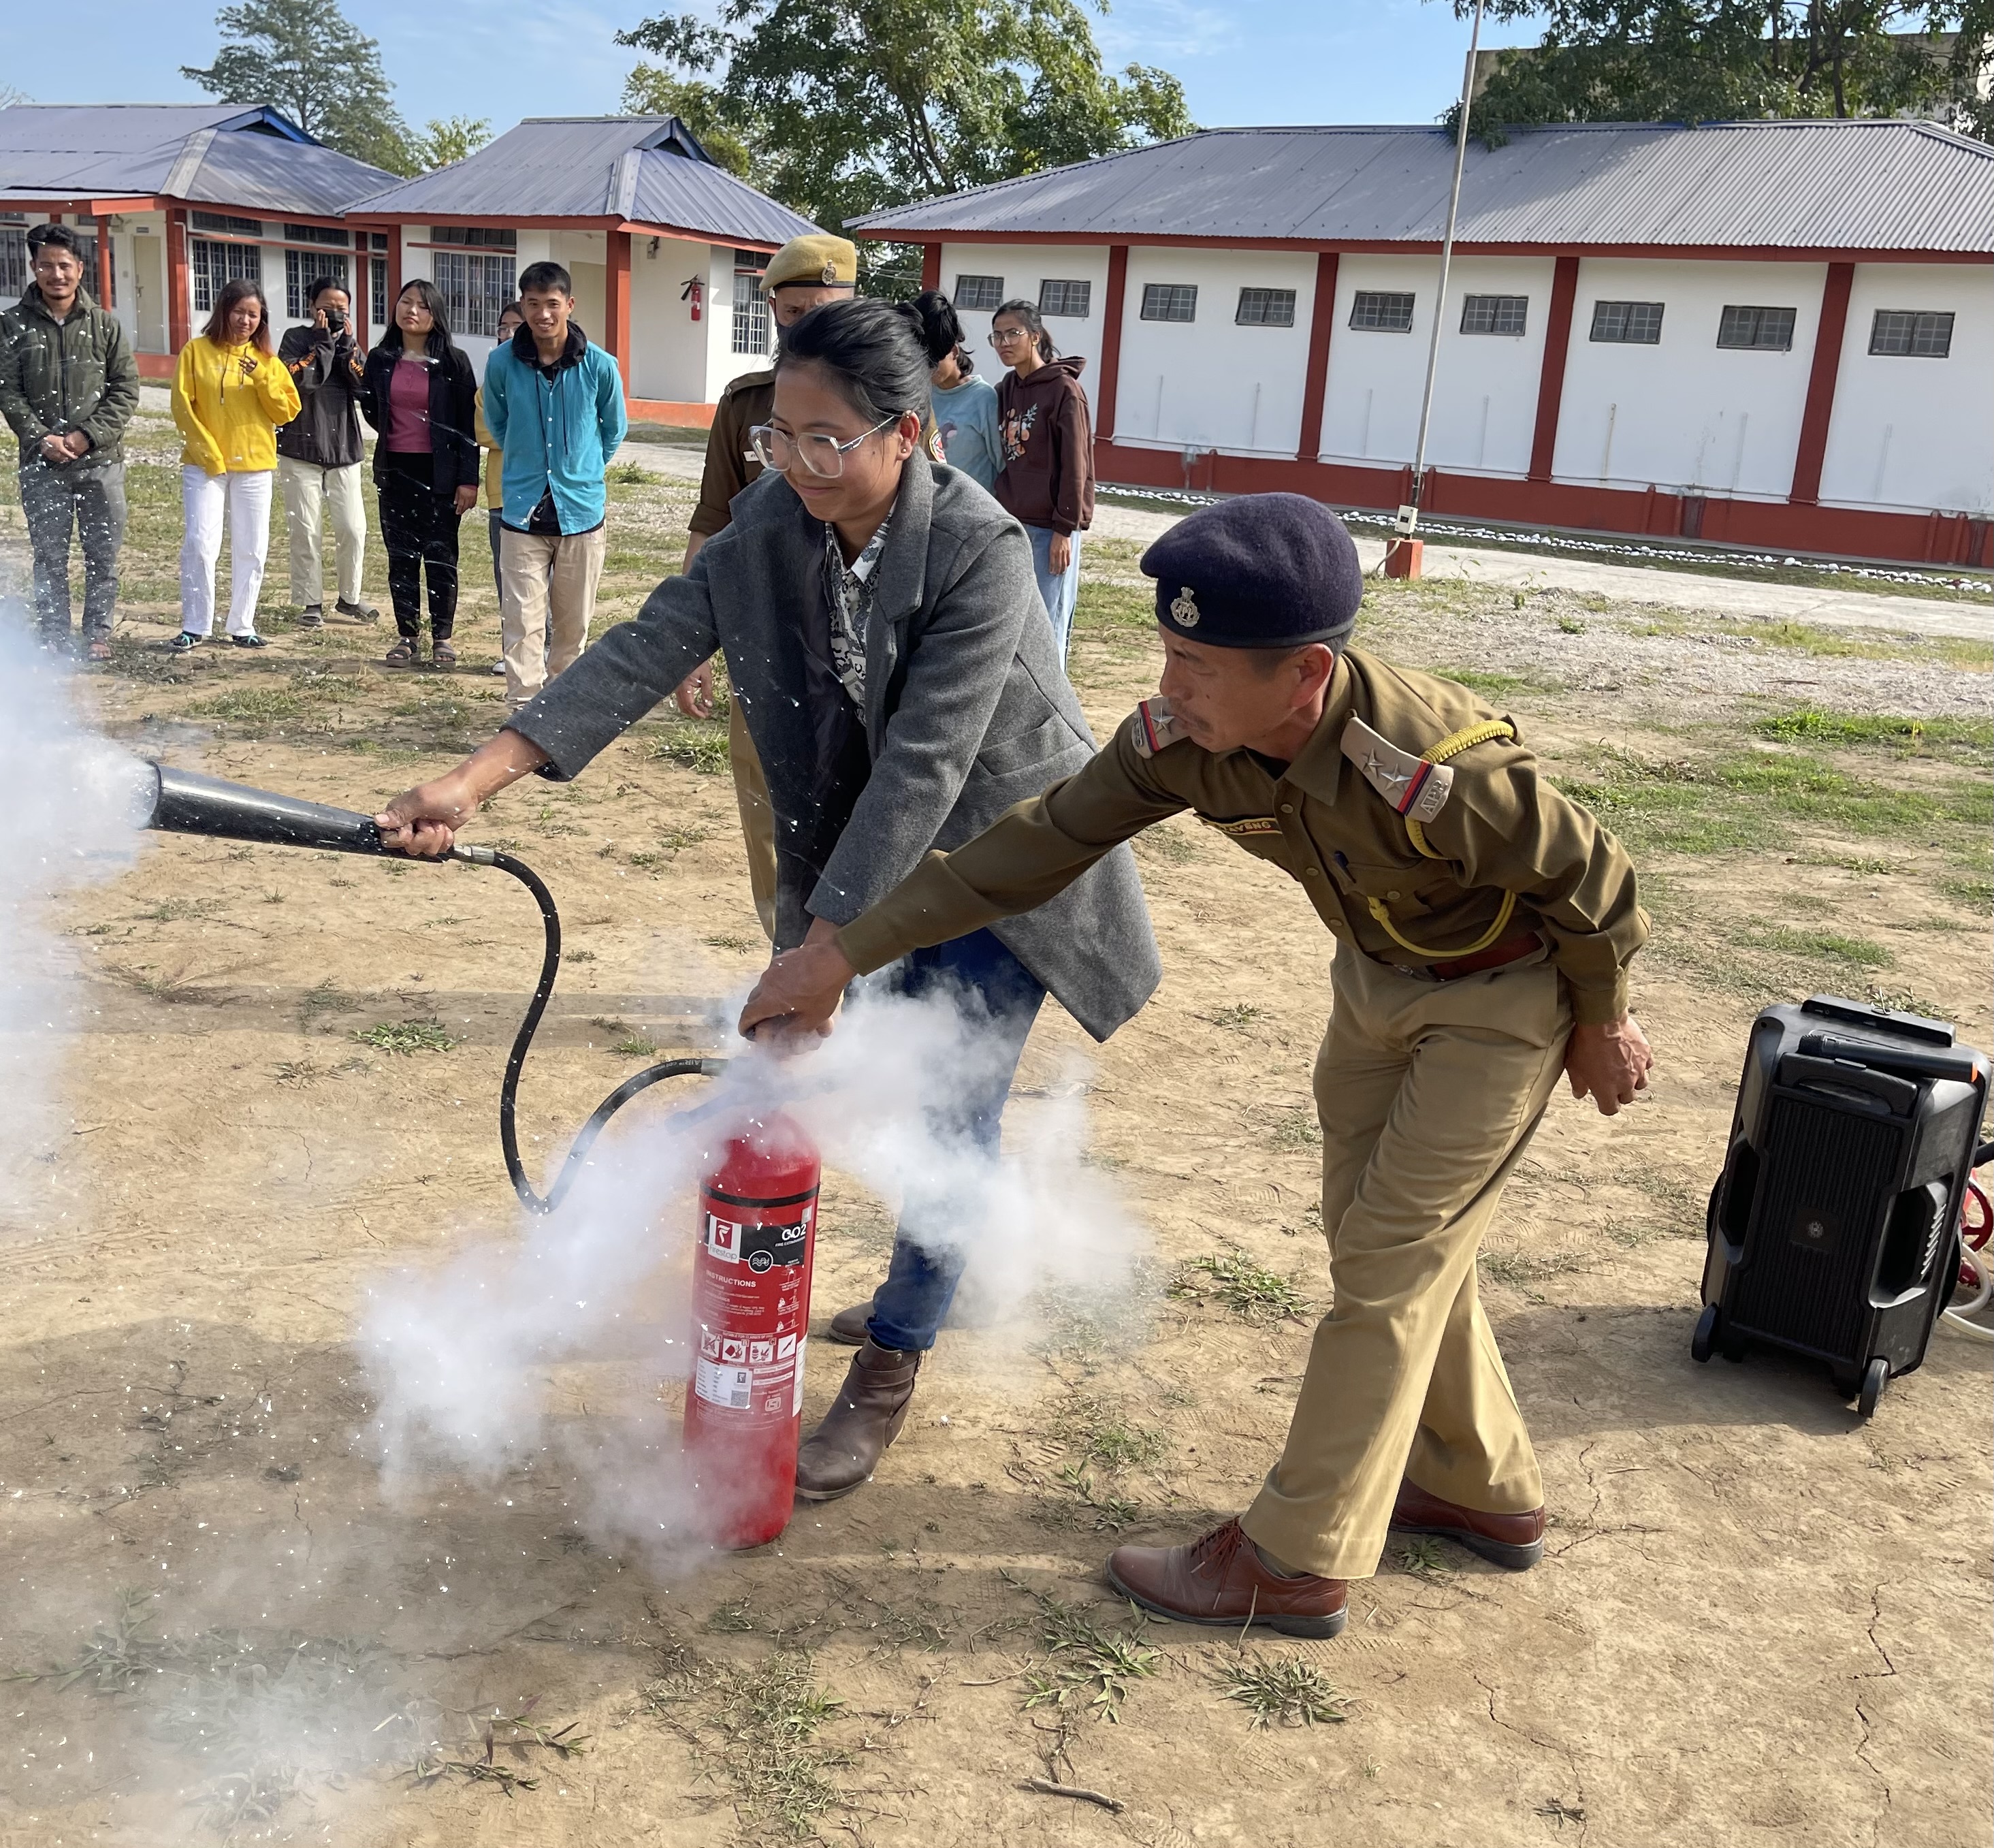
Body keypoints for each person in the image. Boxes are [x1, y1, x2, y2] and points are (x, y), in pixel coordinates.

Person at [737, 492, 1655, 1636]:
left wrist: (1601, 1017)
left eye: (1197, 663)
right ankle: (1480, 1481)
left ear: (1304, 676)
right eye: (1168, 651)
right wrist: (839, 953)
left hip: (1501, 995)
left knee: (1387, 1258)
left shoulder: (1425, 764)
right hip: (1373, 981)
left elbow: (1591, 877)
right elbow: (1032, 845)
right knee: (1376, 1236)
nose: (1169, 683)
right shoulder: (1183, 742)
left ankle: (1293, 1557)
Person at [374, 297, 1160, 1503]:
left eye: (825, 439)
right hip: (869, 852)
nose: (795, 463)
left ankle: (892, 1360)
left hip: (1004, 864)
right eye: (777, 436)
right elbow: (649, 642)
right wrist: (476, 779)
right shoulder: (775, 515)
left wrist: (823, 953)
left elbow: (924, 767)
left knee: (948, 1112)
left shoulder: (980, 546)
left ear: (906, 433)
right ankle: (919, 1274)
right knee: (852, 1089)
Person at [673, 233, 858, 941]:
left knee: (870, 811)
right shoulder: (745, 404)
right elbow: (711, 524)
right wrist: (692, 644)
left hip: (869, 646)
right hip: (769, 645)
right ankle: (785, 953)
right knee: (771, 812)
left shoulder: (895, 403)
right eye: (796, 308)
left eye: (826, 307)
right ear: (774, 310)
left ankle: (855, 969)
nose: (809, 323)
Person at [482, 259, 627, 710]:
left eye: (551, 304)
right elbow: (497, 420)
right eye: (532, 304)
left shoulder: (600, 366)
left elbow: (613, 429)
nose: (542, 314)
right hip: (521, 508)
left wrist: (579, 470)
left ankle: (562, 710)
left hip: (580, 511)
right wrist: (528, 464)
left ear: (569, 304)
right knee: (521, 618)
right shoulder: (501, 362)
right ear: (522, 306)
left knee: (572, 623)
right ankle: (524, 709)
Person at [0, 222, 139, 661]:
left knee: (102, 554)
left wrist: (86, 436)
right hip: (41, 464)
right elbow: (7, 388)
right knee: (50, 556)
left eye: (64, 265)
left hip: (101, 463)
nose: (56, 274)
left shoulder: (105, 326)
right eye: (46, 266)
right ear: (33, 268)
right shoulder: (12, 325)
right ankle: (55, 637)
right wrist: (41, 438)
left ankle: (98, 633)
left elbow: (126, 389)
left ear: (80, 268)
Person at [169, 276, 300, 654]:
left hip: (255, 466)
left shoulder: (268, 362)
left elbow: (286, 411)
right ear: (224, 311)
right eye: (239, 311)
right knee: (199, 543)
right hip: (205, 464)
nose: (245, 321)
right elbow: (182, 406)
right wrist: (208, 453)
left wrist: (260, 377)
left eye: (254, 315)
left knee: (252, 547)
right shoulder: (196, 352)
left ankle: (242, 624)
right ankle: (196, 624)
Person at [359, 279, 479, 669]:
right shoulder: (381, 358)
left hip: (441, 473)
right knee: (402, 557)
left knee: (441, 556)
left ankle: (442, 637)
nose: (412, 310)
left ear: (436, 315)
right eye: (405, 302)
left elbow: (467, 426)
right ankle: (407, 635)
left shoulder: (455, 363)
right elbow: (373, 410)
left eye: (423, 306)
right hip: (395, 469)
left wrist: (468, 479)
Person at [990, 299, 1093, 663]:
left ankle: (1054, 716)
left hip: (1052, 531)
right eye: (997, 335)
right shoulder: (1006, 388)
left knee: (1047, 628)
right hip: (1014, 525)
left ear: (1035, 337)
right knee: (1015, 626)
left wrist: (1065, 530)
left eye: (1013, 333)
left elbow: (1075, 465)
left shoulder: (1064, 391)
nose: (1004, 342)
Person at [276, 276, 379, 630]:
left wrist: (347, 347)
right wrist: (322, 344)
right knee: (306, 529)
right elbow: (300, 381)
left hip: (343, 448)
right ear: (311, 306)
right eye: (327, 307)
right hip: (299, 447)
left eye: (342, 309)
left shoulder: (350, 345)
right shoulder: (295, 339)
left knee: (353, 528)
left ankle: (350, 598)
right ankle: (311, 601)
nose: (334, 314)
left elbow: (365, 387)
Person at [475, 300, 530, 675]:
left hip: (548, 493)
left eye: (516, 326)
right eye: (503, 326)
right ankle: (513, 651)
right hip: (502, 492)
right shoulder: (494, 375)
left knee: (550, 580)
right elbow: (483, 428)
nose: (508, 333)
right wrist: (529, 435)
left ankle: (546, 648)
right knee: (508, 575)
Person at [914, 291, 1001, 492]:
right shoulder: (920, 396)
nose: (928, 368)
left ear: (954, 351)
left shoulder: (984, 399)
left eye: (934, 361)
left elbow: (1003, 468)